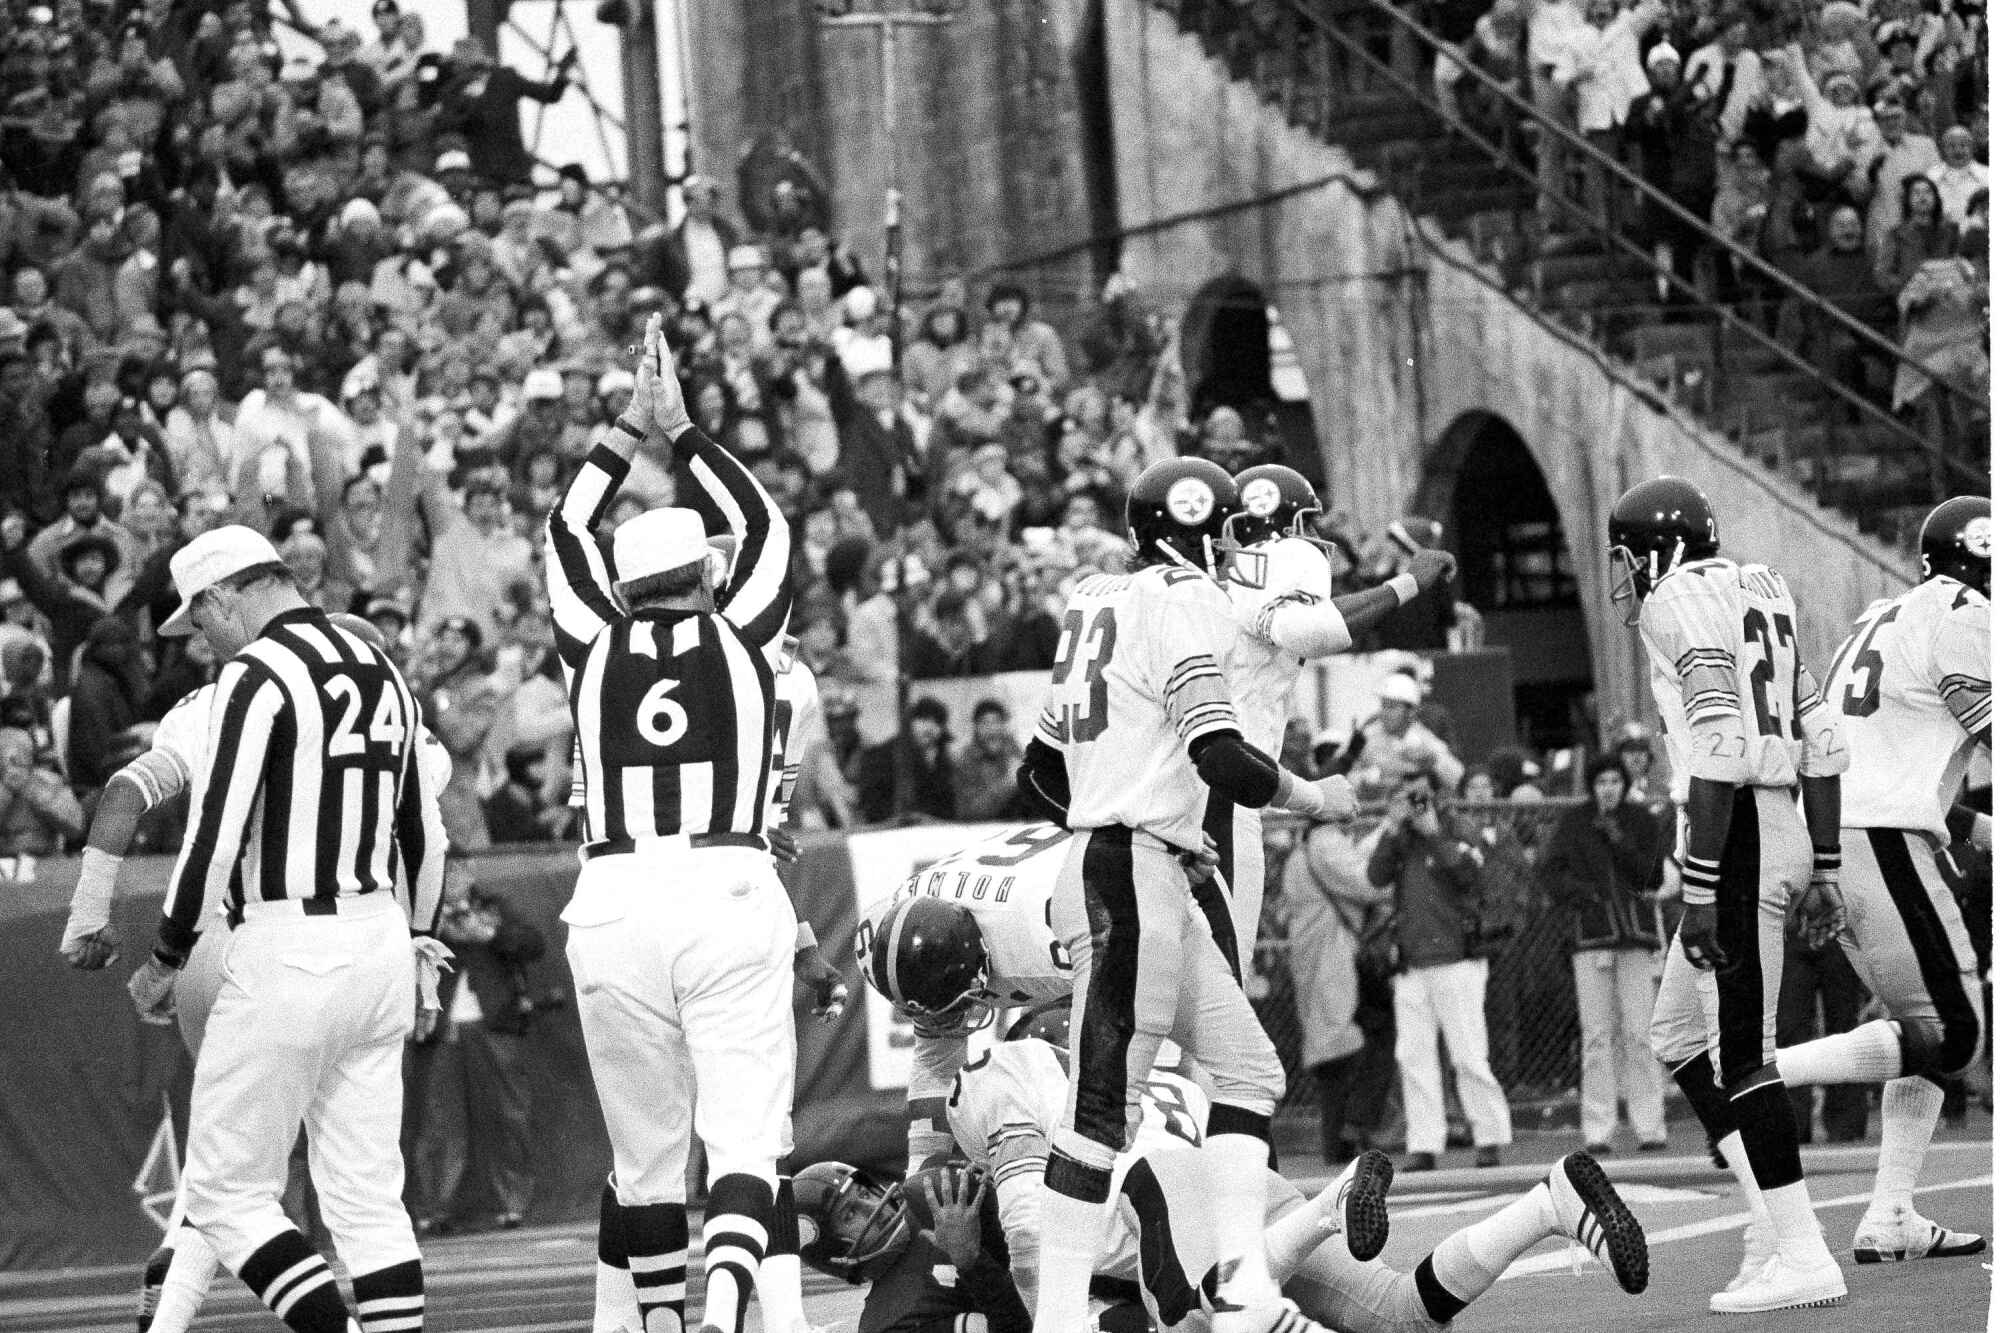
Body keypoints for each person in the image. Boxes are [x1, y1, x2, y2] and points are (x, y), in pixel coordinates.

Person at [1015, 456, 1359, 1333]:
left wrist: (1153, 829)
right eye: (1234, 532)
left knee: (1249, 1071)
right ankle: (1057, 1321)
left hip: (1139, 863)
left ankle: (1242, 1283)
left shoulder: (1095, 595)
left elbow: (1041, 771)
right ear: (1201, 530)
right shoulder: (1186, 602)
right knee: (1099, 1111)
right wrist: (1315, 797)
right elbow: (1229, 761)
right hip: (1126, 875)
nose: (1242, 548)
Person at [545, 318, 837, 1333]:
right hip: (723, 884)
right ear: (703, 573)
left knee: (644, 1158)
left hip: (612, 898)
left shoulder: (589, 638)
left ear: (622, 584)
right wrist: (683, 430)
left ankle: (665, 1320)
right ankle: (726, 1305)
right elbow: (766, 527)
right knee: (747, 1137)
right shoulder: (744, 630)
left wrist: (622, 431)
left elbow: (563, 531)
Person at [60, 611, 449, 1333]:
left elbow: (122, 794)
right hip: (342, 943)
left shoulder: (216, 701)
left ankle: (168, 1304)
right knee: (336, 1188)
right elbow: (428, 834)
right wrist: (425, 955)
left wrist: (91, 907)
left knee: (226, 1160)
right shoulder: (391, 704)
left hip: (220, 938)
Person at [942, 1011, 1649, 1333]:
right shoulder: (1163, 1076)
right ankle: (1550, 1203)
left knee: (1198, 1318)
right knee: (1403, 1314)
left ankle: (1330, 1206)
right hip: (1239, 1179)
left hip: (1161, 1187)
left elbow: (1040, 1250)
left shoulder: (1029, 1101)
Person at [1609, 476, 1849, 1313]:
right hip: (1776, 821)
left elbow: (1715, 747)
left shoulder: (1675, 600)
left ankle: (1805, 1251)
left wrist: (1703, 887)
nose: (1629, 575)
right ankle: (1769, 1224)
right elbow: (1820, 736)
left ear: (1657, 550)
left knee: (1744, 1056)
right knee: (1675, 1033)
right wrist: (1821, 863)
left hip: (1735, 834)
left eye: (1631, 557)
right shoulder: (1762, 587)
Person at [1765, 495, 1988, 1264]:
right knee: (1956, 1030)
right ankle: (1760, 1074)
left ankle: (1890, 1213)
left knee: (1919, 1031)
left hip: (1843, 833)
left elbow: (1887, 755)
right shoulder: (1962, 609)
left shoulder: (1889, 614)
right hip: (1878, 841)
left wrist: (1976, 827)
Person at [1211, 463, 1457, 972]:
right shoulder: (1281, 557)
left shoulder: (1234, 579)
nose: (1315, 538)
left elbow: (1313, 618)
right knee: (1220, 974)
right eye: (1307, 523)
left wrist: (1402, 584)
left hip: (1205, 785)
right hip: (1221, 794)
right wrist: (1408, 583)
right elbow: (1311, 632)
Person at [1367, 764, 1513, 1172]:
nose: (1415, 804)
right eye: (1407, 796)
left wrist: (1435, 833)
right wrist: (1392, 829)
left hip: (1457, 957)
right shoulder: (1400, 838)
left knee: (1468, 1053)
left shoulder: (1459, 827)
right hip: (1412, 961)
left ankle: (1489, 1137)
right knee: (1413, 1056)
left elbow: (1472, 876)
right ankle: (1424, 1142)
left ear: (1438, 795)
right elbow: (1374, 876)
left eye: (1421, 794)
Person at [410, 856, 549, 1233]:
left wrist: (488, 935)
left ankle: (512, 1203)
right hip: (440, 1027)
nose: (452, 879)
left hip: (495, 1023)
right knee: (440, 1122)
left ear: (469, 873)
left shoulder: (494, 908)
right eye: (444, 871)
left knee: (508, 1116)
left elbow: (533, 943)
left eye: (457, 870)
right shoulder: (422, 911)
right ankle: (435, 1208)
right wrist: (436, 932)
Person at [1540, 754, 1669, 1154]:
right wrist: (1583, 897)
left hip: (1634, 936)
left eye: (1614, 781)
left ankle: (1650, 1126)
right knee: (1597, 1036)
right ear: (1592, 786)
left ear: (1624, 784)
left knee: (1639, 1033)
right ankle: (1598, 1129)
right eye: (1601, 782)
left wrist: (1619, 839)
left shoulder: (1641, 820)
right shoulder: (1574, 822)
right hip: (1592, 937)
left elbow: (1655, 875)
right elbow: (1550, 872)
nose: (1608, 788)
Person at [794, 1161, 1030, 1333]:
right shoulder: (892, 1323)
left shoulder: (933, 1193)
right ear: (833, 1251)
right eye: (850, 1214)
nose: (871, 1207)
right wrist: (971, 1261)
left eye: (864, 1193)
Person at [1281, 817, 1395, 1165]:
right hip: (1335, 954)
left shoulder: (1299, 852)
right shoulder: (1327, 845)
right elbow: (1366, 885)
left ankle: (1339, 1139)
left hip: (1315, 956)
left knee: (1331, 1046)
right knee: (1364, 1036)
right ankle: (1350, 1129)